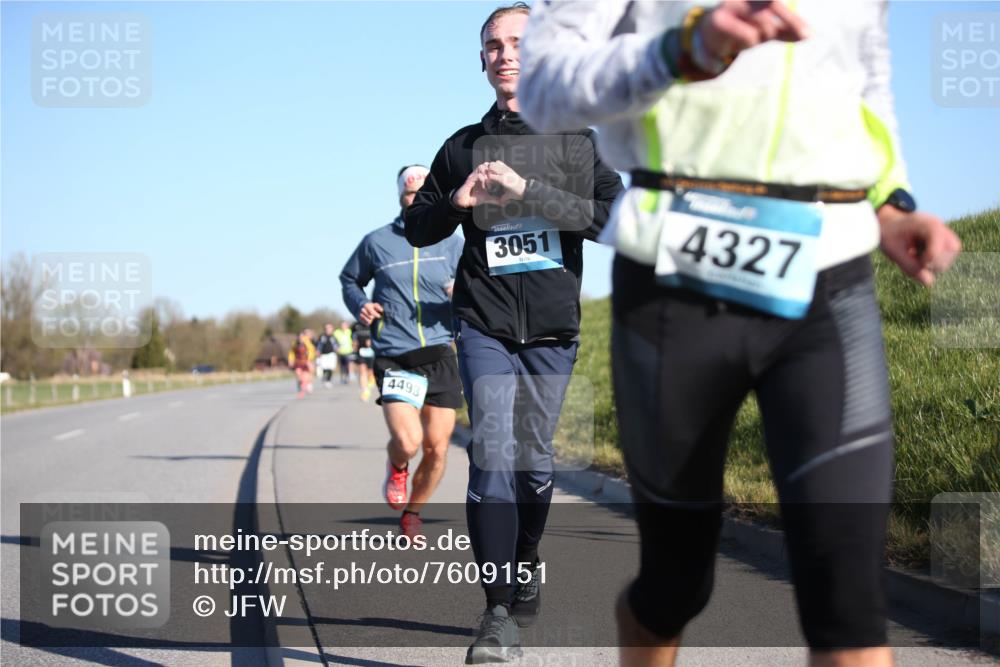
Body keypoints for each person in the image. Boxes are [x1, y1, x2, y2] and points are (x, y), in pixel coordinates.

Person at [518, 2, 962, 666]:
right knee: (676, 583)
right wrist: (679, 50)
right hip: (675, 272)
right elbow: (544, 87)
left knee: (850, 597)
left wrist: (890, 201)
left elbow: (865, 83)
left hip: (828, 270)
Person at [403, 4, 624, 662]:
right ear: (481, 60)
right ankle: (496, 612)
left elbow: (615, 220)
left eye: (518, 43)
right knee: (494, 455)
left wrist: (529, 190)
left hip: (554, 329)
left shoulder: (580, 141)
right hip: (483, 323)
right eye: (493, 46)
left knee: (533, 464)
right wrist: (456, 203)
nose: (505, 54)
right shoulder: (461, 146)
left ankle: (525, 555)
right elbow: (416, 227)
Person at [340, 165, 465, 536]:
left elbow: (477, 284)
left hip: (440, 352)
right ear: (401, 197)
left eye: (424, 193)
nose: (417, 200)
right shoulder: (377, 241)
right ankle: (397, 467)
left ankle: (413, 511)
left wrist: (463, 292)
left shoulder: (453, 243)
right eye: (411, 194)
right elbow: (349, 279)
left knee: (437, 449)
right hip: (395, 353)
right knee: (409, 442)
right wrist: (359, 303)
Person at [287, 330, 316, 399]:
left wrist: (309, 361)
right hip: (297, 362)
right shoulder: (294, 344)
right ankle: (301, 388)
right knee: (298, 375)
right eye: (299, 337)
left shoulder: (307, 343)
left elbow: (312, 351)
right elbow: (291, 353)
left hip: (306, 362)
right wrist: (290, 360)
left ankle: (302, 390)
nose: (300, 338)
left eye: (302, 337)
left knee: (305, 378)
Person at [314, 323, 338, 388]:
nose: (328, 329)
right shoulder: (322, 336)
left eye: (330, 328)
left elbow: (336, 345)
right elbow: (318, 345)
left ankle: (328, 380)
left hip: (331, 354)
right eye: (327, 328)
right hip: (323, 354)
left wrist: (337, 349)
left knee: (330, 367)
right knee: (324, 367)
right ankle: (324, 377)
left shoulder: (333, 337)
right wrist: (318, 351)